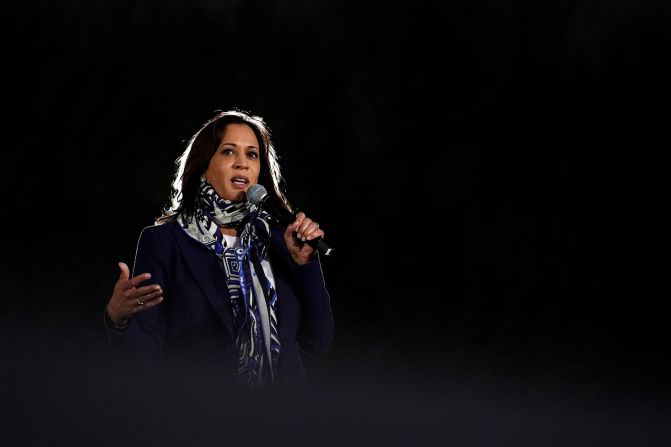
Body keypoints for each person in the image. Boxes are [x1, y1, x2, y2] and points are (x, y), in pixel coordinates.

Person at [103, 109, 334, 387]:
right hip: (204, 419)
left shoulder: (280, 242)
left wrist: (304, 264)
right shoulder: (165, 242)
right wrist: (118, 322)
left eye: (252, 154)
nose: (242, 164)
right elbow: (147, 358)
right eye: (228, 152)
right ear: (204, 165)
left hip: (282, 420)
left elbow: (318, 341)